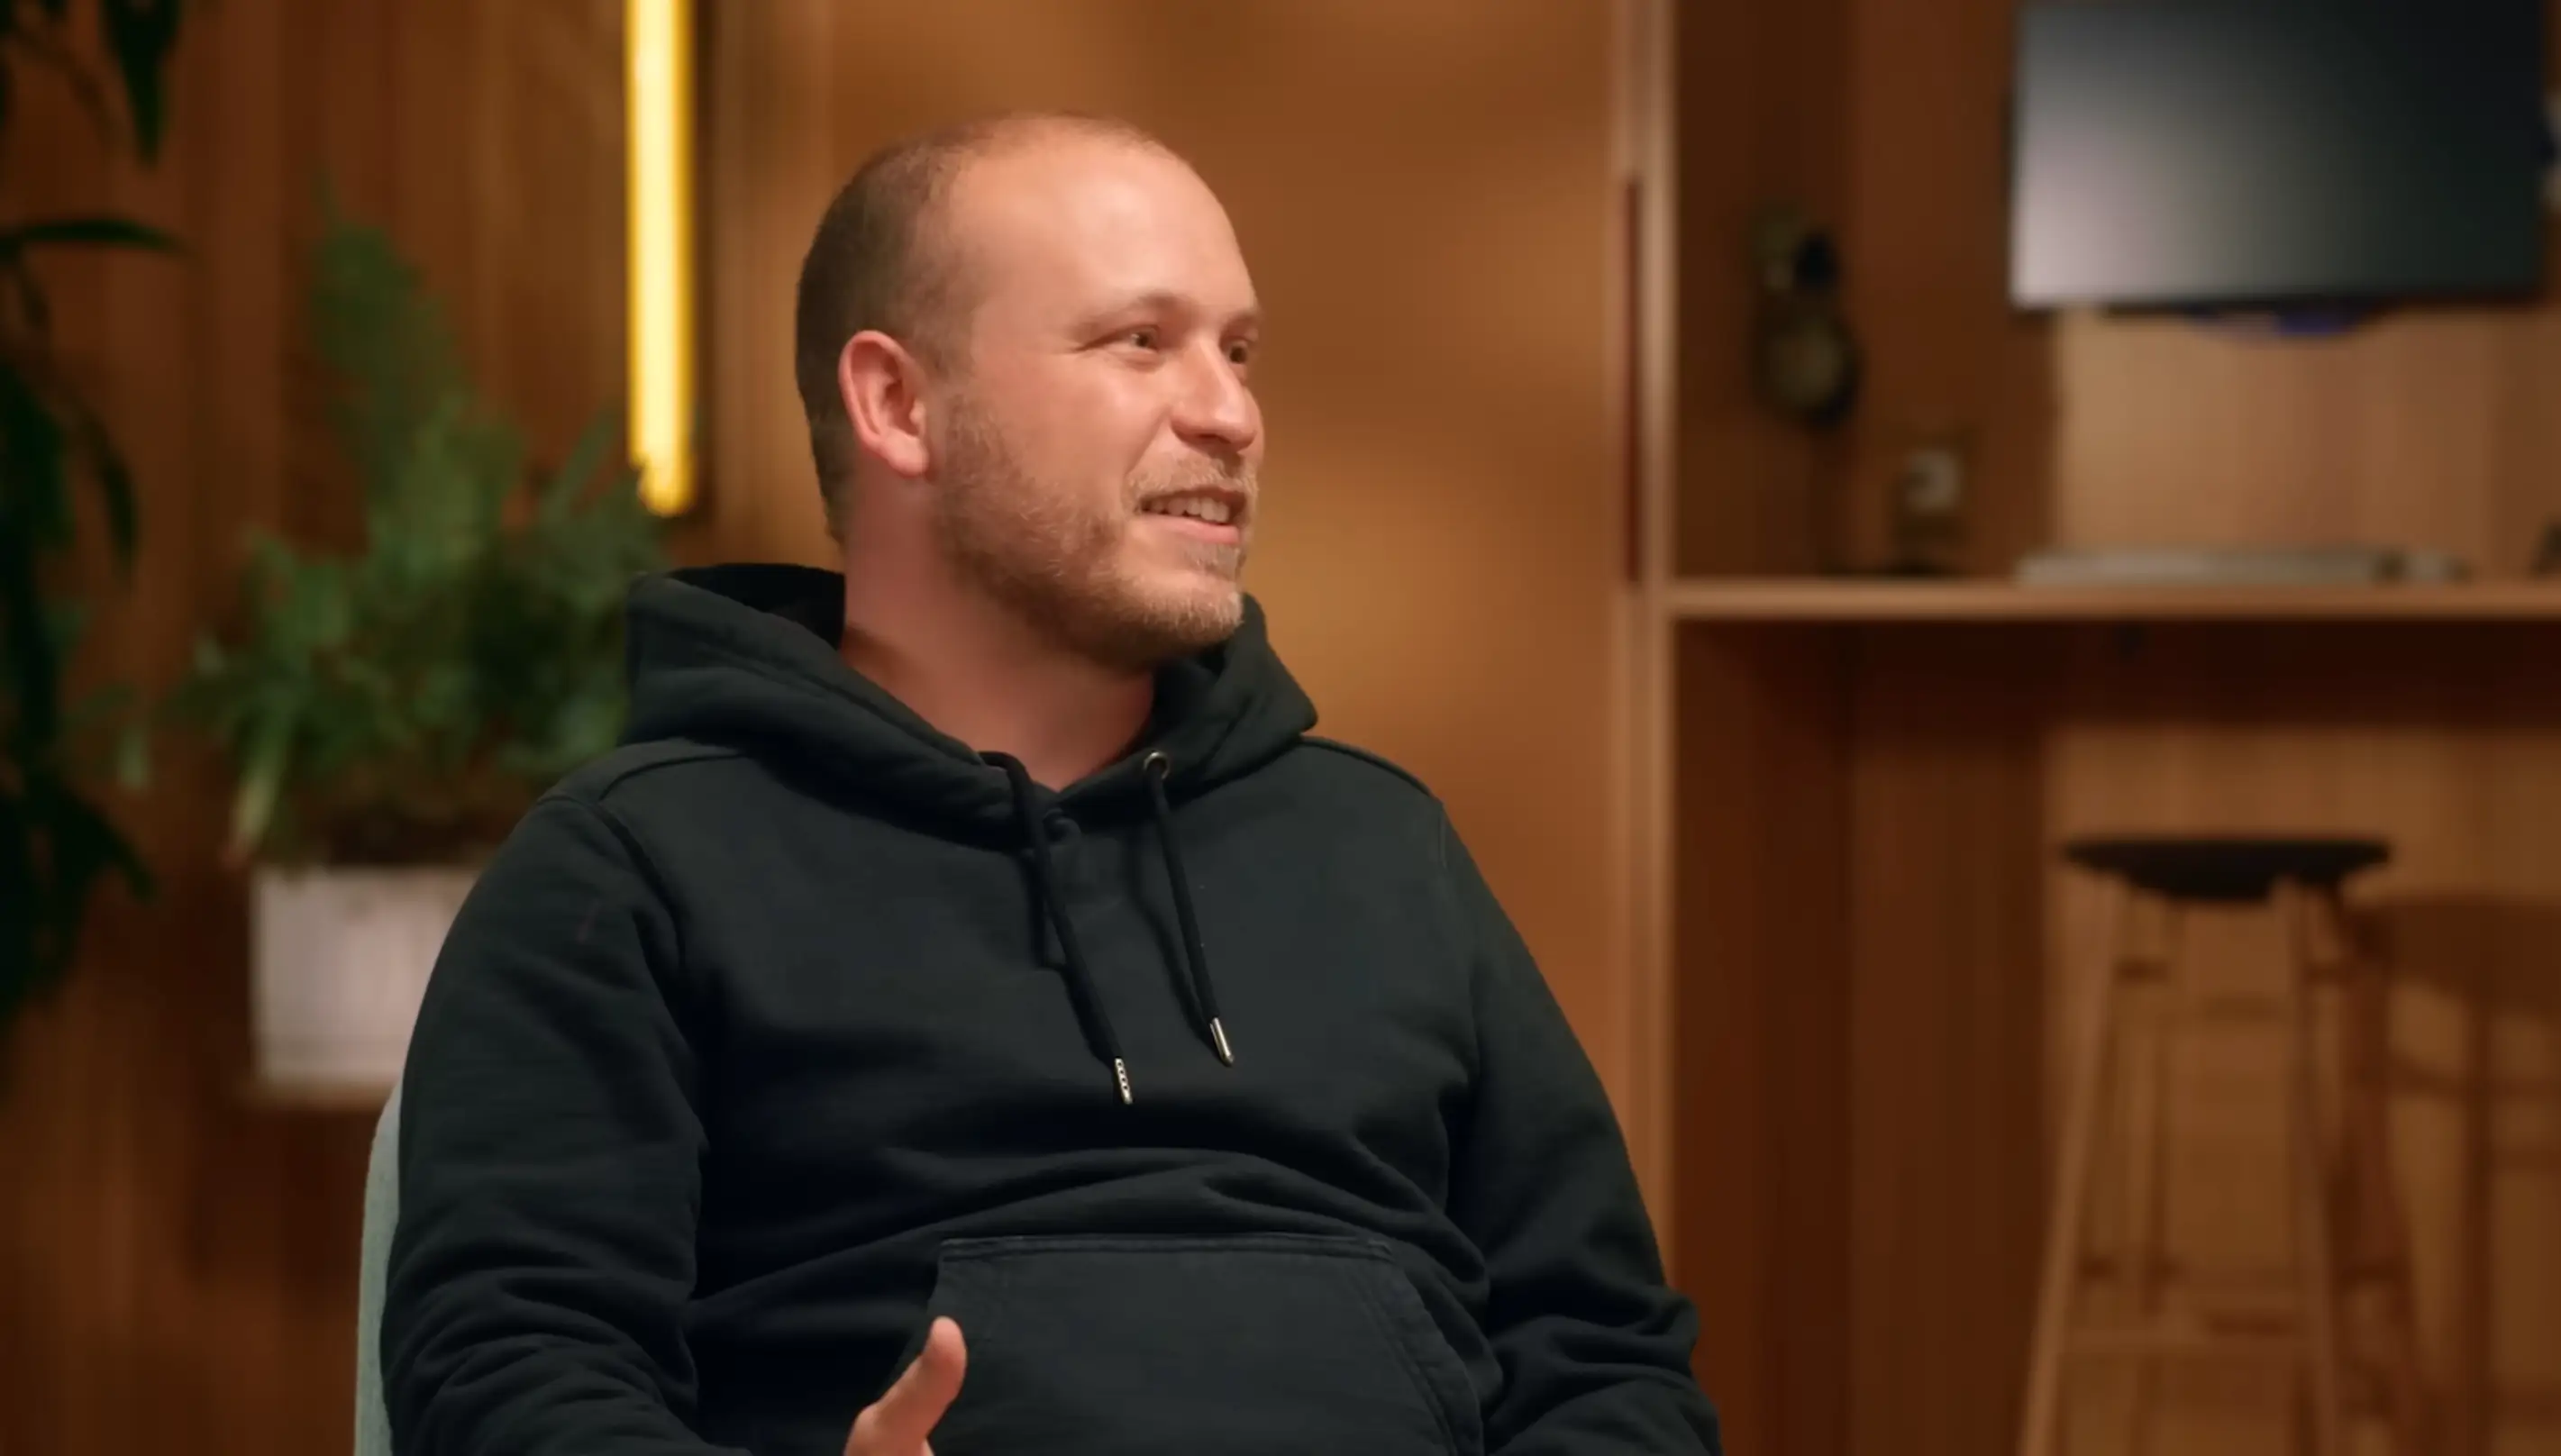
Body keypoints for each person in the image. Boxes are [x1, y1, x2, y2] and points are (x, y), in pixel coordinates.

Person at [382, 111, 1721, 1456]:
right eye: (1140, 341)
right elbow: (513, 1374)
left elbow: (1604, 1359)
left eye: (1238, 351)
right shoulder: (635, 867)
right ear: (899, 404)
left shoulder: (1382, 845)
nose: (1230, 414)